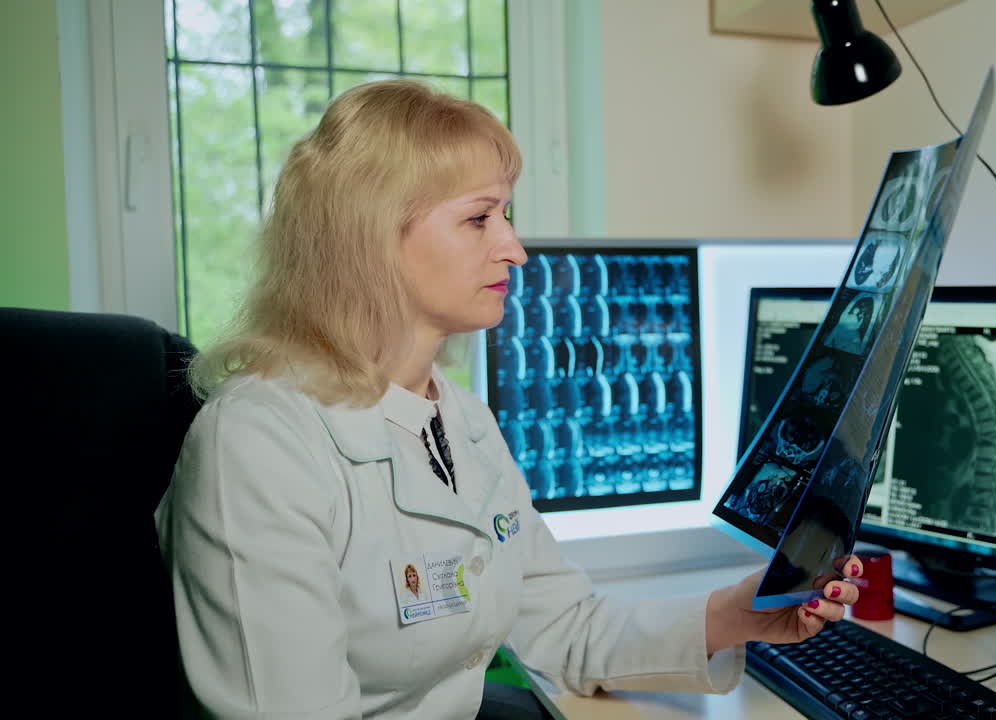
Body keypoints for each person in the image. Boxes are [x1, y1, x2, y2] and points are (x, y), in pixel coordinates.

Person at [154, 79, 863, 720]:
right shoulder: (257, 442)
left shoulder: (457, 417)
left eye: (507, 215)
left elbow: (567, 628)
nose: (516, 250)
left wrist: (739, 614)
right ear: (370, 237)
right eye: (479, 219)